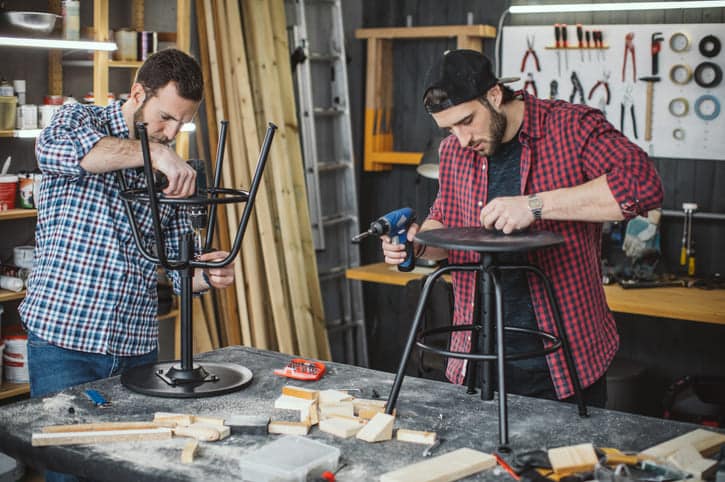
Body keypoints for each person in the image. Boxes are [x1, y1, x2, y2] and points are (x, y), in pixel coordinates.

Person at [381, 50, 663, 407]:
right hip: (476, 357)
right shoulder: (455, 151)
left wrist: (534, 204)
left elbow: (642, 186)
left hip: (562, 359)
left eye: (467, 120)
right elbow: (446, 226)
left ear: (495, 95)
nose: (461, 138)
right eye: (450, 128)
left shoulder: (570, 128)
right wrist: (417, 244)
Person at [20, 49, 234, 400]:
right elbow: (55, 152)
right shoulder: (78, 119)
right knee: (60, 452)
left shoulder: (171, 167)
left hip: (136, 347)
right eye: (165, 117)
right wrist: (155, 153)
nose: (172, 132)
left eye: (183, 122)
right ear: (137, 94)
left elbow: (178, 268)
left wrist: (206, 275)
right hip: (63, 343)